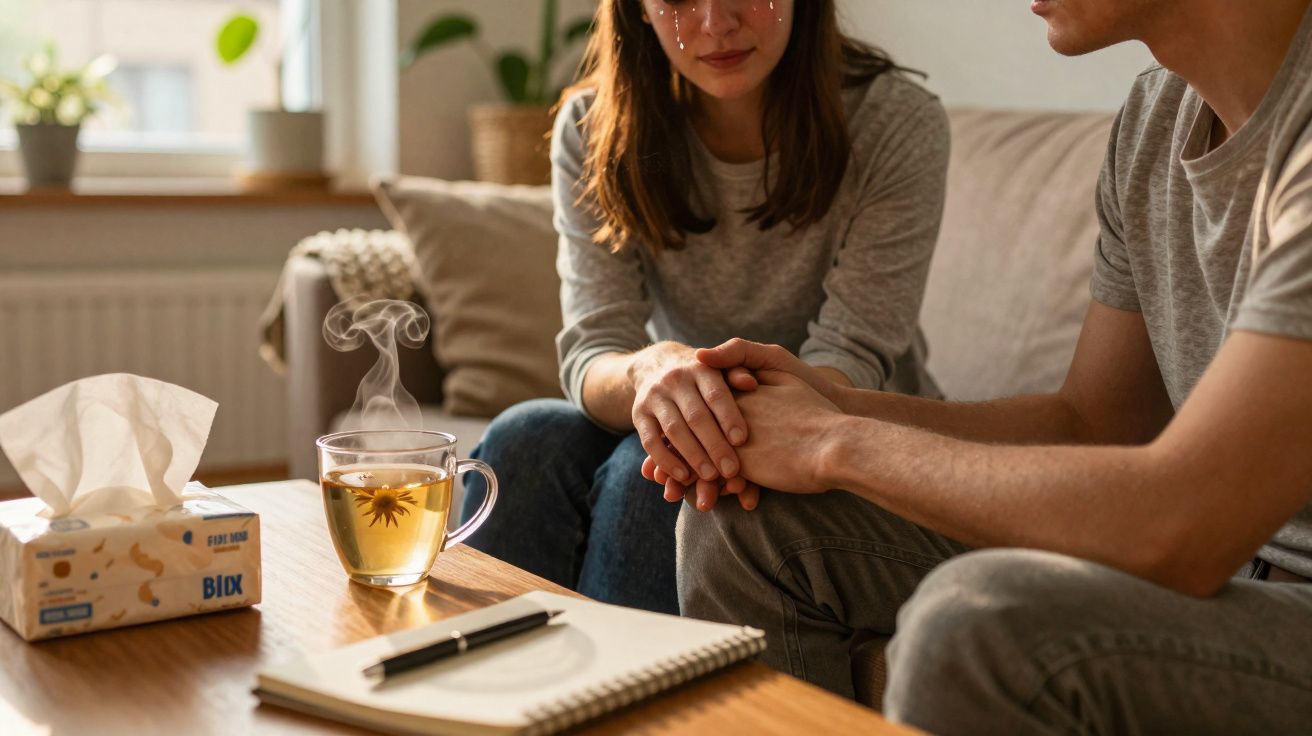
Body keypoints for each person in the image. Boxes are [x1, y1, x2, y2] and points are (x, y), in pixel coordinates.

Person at [660, 0, 1312, 732]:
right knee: (750, 518)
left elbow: (1181, 526)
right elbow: (1093, 425)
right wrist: (825, 406)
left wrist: (829, 443)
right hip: (1233, 569)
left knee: (975, 631)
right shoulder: (1155, 119)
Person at [460, 0, 950, 615]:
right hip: (690, 410)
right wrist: (653, 370)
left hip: (841, 424)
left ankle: (624, 701)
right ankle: (475, 697)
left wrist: (703, 415)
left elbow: (849, 358)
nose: (715, 23)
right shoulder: (594, 126)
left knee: (656, 471)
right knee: (525, 438)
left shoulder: (894, 121)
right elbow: (593, 350)